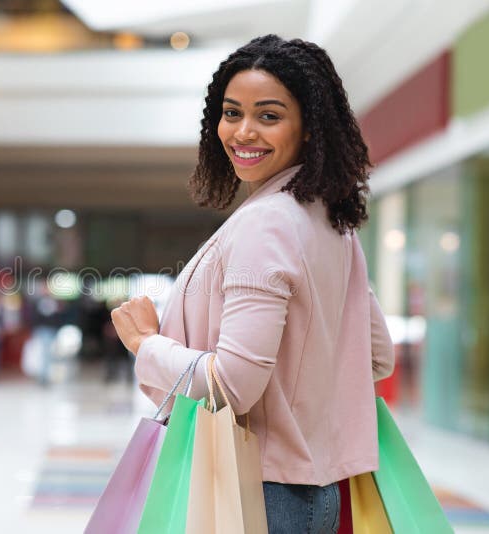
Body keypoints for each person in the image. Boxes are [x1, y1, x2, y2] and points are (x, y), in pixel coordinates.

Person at [110, 35, 395, 533]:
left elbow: (231, 386)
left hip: (258, 494)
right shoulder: (329, 223)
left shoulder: (267, 224)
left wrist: (145, 344)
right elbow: (375, 357)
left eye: (268, 115)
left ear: (309, 128)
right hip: (312, 493)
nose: (243, 132)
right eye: (232, 112)